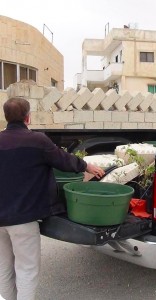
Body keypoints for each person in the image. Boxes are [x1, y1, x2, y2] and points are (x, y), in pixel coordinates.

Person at [0, 97, 105, 300]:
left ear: (6, 117)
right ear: (28, 118)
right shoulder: (37, 140)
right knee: (27, 270)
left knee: (4, 268)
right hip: (23, 220)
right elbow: (62, 160)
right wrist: (86, 166)